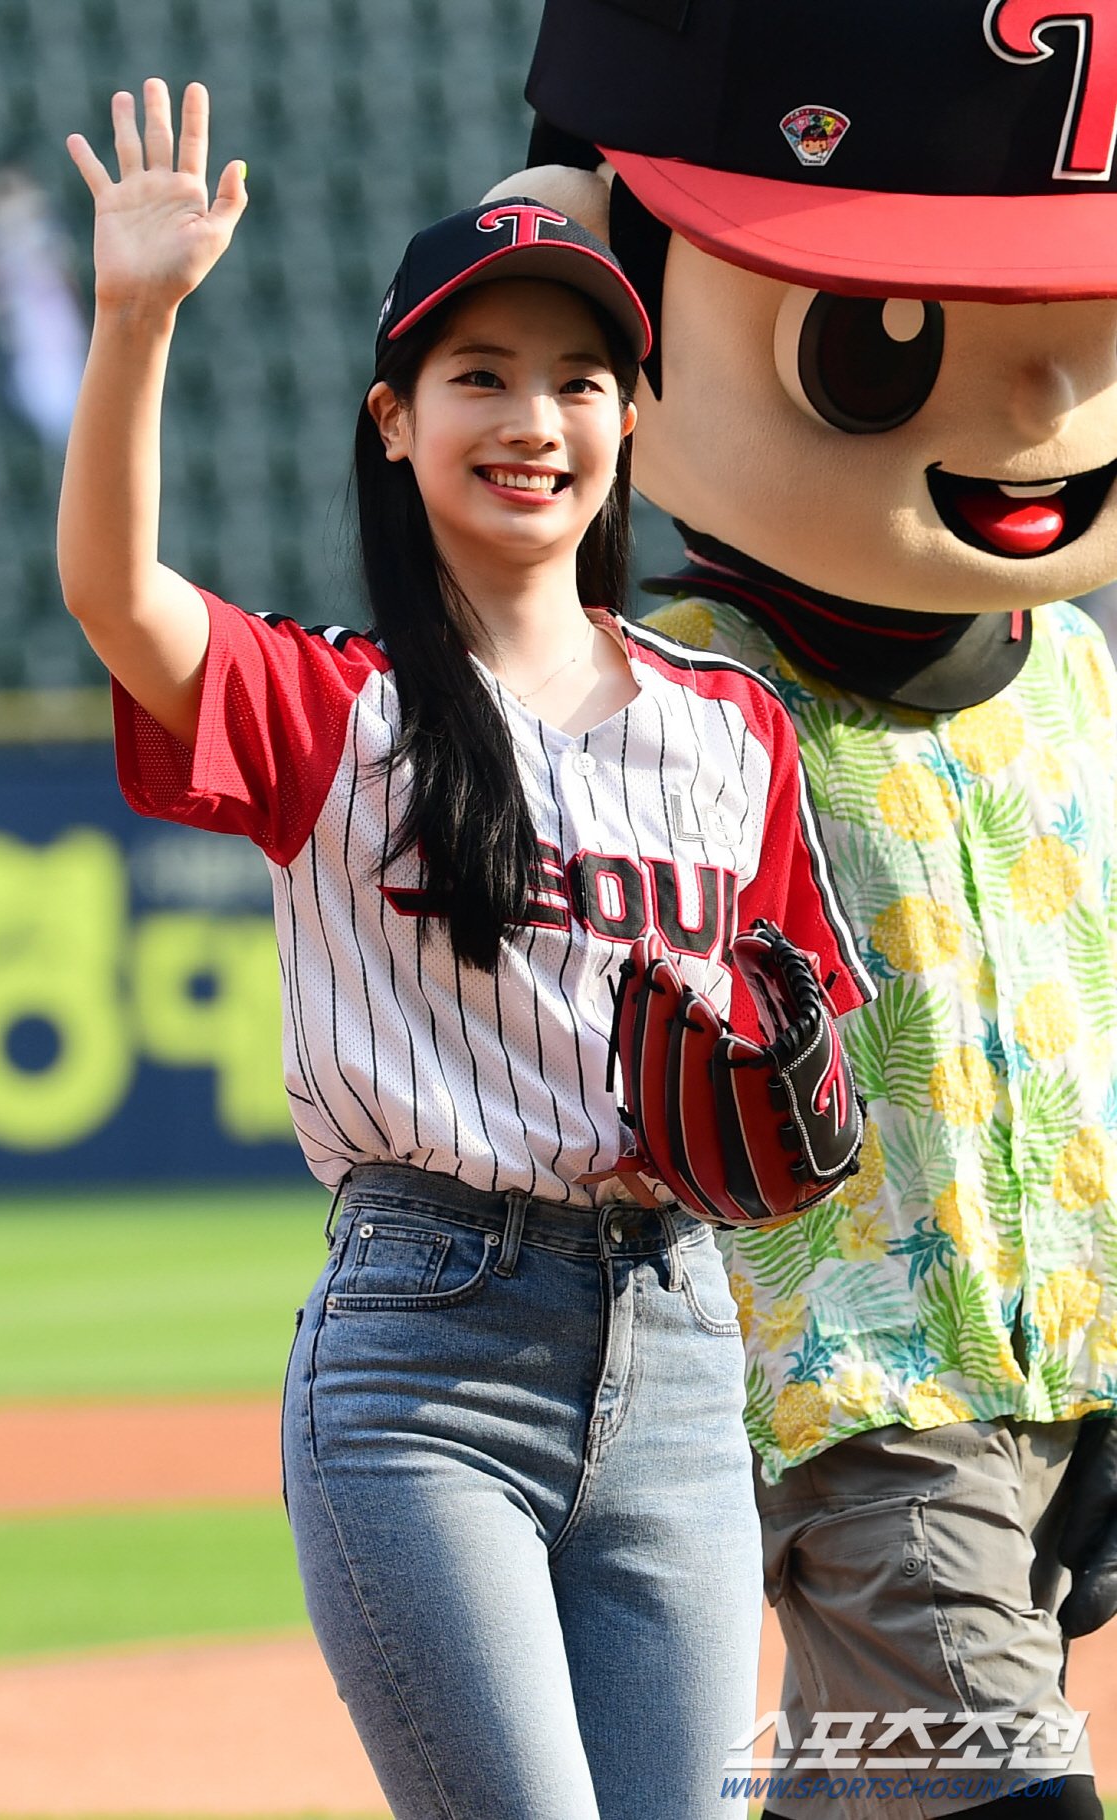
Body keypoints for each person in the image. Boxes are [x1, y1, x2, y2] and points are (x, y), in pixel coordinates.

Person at [57, 78, 873, 1820]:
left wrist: (795, 1120)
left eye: (580, 379)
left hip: (676, 1343)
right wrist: (135, 318)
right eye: (478, 375)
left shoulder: (733, 729)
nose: (534, 417)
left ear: (630, 421)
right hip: (423, 1354)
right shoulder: (334, 708)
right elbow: (119, 599)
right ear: (394, 418)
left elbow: (813, 1066)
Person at [494, 0, 1117, 1814]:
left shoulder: (1073, 677)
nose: (1041, 408)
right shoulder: (655, 682)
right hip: (846, 1383)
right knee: (1006, 1795)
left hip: (1058, 1359)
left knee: (867, 1788)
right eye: (880, 340)